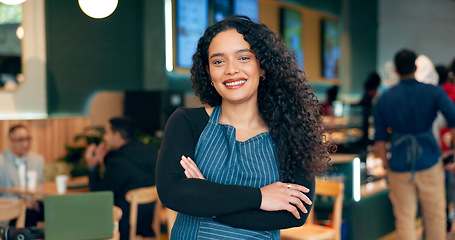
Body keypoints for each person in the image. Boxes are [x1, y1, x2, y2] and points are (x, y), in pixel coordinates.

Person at [156, 16, 332, 239]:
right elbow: (173, 192)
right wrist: (260, 197)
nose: (231, 69)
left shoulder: (289, 132)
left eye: (244, 58)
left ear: (263, 68)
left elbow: (296, 214)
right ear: (209, 73)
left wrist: (209, 201)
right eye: (219, 61)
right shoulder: (187, 122)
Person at [374, 49, 455, 240]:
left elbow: (379, 139)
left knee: (404, 219)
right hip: (429, 161)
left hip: (399, 165)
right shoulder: (433, 92)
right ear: (415, 67)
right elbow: (453, 118)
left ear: (395, 70)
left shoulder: (385, 98)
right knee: (435, 217)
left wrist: (385, 165)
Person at [84, 117, 158, 240]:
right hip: (146, 225)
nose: (104, 137)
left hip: (123, 228)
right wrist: (104, 165)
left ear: (117, 135)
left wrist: (92, 167)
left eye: (107, 132)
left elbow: (98, 197)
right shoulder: (150, 151)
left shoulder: (118, 161)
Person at [0, 124, 44, 227]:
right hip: (10, 210)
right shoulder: (1, 162)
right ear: (10, 141)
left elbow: (41, 188)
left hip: (34, 205)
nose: (26, 143)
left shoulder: (37, 160)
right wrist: (22, 204)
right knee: (29, 214)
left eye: (28, 139)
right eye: (20, 140)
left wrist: (36, 201)